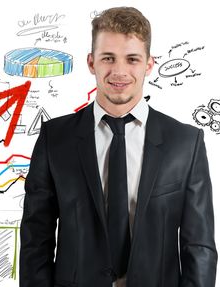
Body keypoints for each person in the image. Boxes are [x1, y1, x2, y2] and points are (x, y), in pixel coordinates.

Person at [19, 6, 217, 287]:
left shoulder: (185, 142)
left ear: (149, 64)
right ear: (92, 63)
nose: (119, 71)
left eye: (132, 59)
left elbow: (199, 246)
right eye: (108, 58)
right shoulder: (55, 139)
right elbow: (35, 239)